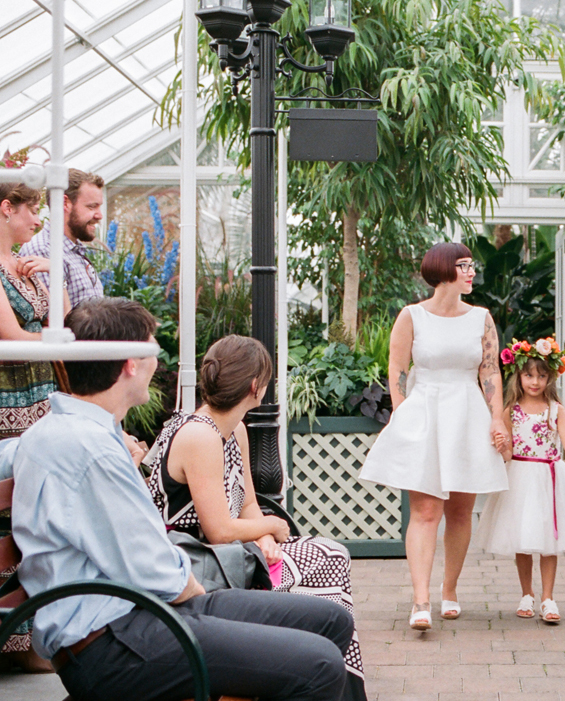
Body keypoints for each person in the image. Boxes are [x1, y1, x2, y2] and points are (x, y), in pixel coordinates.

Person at [11, 297, 355, 701]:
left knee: (330, 620)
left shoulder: (70, 431)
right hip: (116, 642)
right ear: (130, 365)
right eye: (153, 348)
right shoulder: (91, 449)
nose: (158, 360)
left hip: (138, 614)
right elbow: (156, 571)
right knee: (318, 666)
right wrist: (202, 600)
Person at [145, 335, 366, 700]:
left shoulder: (235, 430)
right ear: (255, 387)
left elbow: (247, 505)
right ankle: (316, 677)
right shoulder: (200, 435)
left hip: (231, 553)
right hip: (197, 563)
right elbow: (217, 531)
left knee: (329, 555)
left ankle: (328, 680)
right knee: (326, 561)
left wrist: (262, 536)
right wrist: (274, 526)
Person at [359, 242, 509, 631]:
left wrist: (497, 419)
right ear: (443, 271)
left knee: (460, 511)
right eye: (464, 266)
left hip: (467, 415)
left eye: (472, 266)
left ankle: (450, 590)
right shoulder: (411, 316)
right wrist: (402, 410)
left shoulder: (482, 318)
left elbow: (490, 371)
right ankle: (420, 599)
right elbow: (397, 368)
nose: (471, 272)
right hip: (425, 413)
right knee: (426, 511)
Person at [476, 338, 565, 623]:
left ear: (550, 377)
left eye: (542, 375)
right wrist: (501, 444)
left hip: (549, 479)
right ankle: (527, 593)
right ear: (519, 375)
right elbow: (508, 453)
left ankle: (548, 598)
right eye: (529, 374)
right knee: (523, 536)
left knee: (549, 541)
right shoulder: (510, 410)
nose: (535, 381)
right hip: (520, 478)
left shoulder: (556, 409)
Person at [0, 182, 72, 442]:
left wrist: (56, 273)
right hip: (10, 395)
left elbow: (63, 320)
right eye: (31, 210)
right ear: (7, 208)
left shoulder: (20, 263)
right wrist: (58, 338)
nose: (37, 220)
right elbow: (12, 336)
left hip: (41, 390)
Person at [20, 169, 105, 309]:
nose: (99, 215)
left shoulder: (74, 249)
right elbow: (54, 320)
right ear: (64, 203)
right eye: (91, 206)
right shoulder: (42, 250)